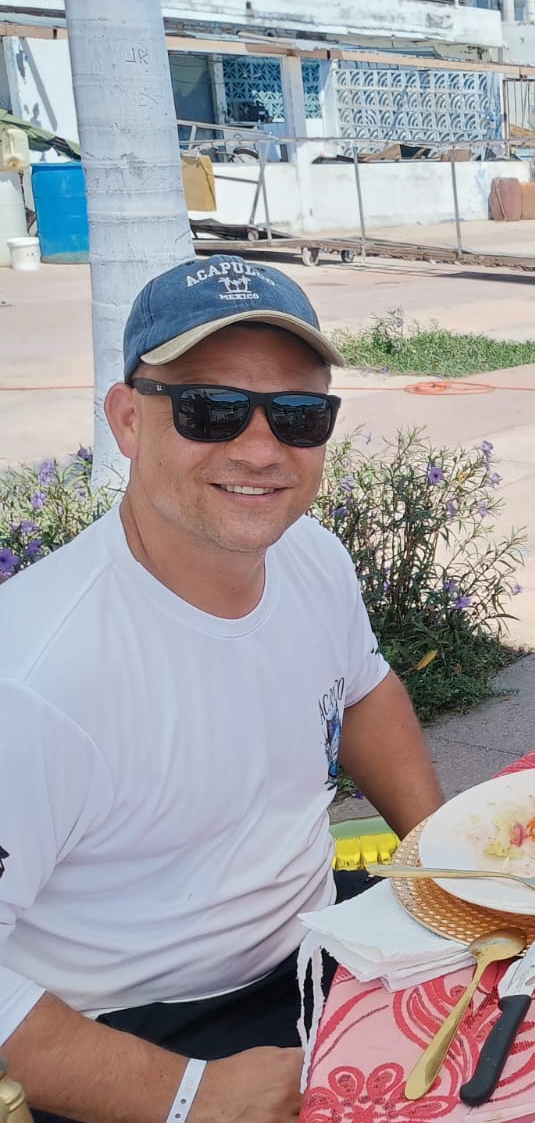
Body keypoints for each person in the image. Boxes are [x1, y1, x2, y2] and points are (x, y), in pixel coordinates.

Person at [0, 256, 445, 1123]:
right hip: (136, 1030)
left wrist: (442, 863)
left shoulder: (311, 557)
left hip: (321, 944)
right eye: (211, 409)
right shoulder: (35, 676)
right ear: (128, 420)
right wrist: (187, 1093)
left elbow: (363, 691)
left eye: (299, 415)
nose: (260, 448)